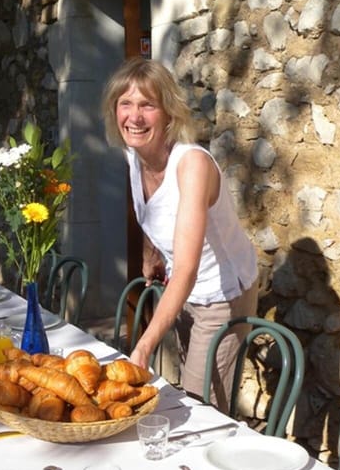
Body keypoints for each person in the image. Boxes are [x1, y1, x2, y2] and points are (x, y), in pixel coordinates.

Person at [102, 57, 258, 409]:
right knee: (189, 396)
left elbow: (186, 268)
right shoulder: (135, 156)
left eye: (148, 105)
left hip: (221, 294)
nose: (135, 117)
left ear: (169, 113)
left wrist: (143, 345)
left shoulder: (192, 166)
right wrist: (151, 254)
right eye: (125, 104)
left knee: (198, 408)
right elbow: (154, 211)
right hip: (184, 290)